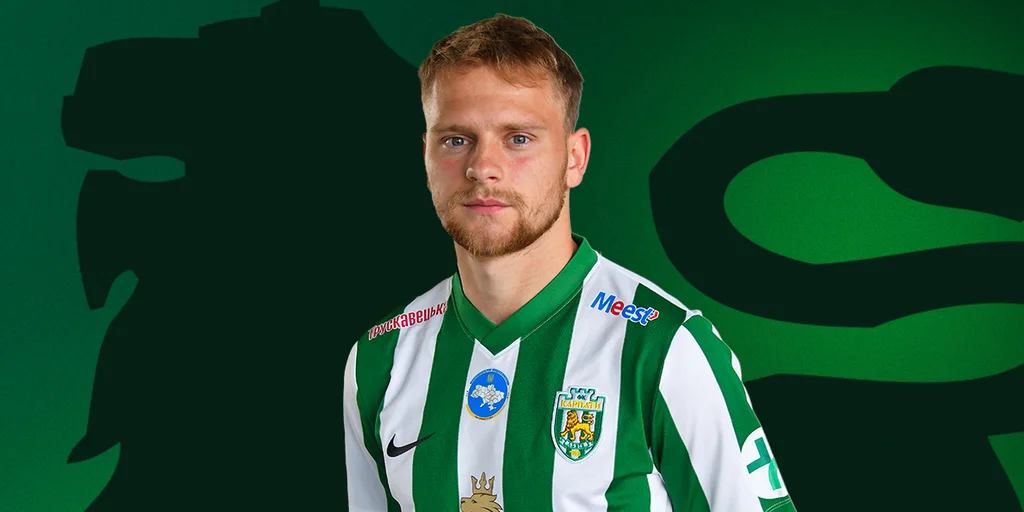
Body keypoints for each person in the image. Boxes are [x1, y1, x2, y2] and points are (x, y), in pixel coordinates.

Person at [343, 13, 797, 512]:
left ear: (575, 158)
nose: (482, 168)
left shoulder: (663, 347)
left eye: (518, 138)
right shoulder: (380, 360)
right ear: (426, 157)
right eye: (456, 140)